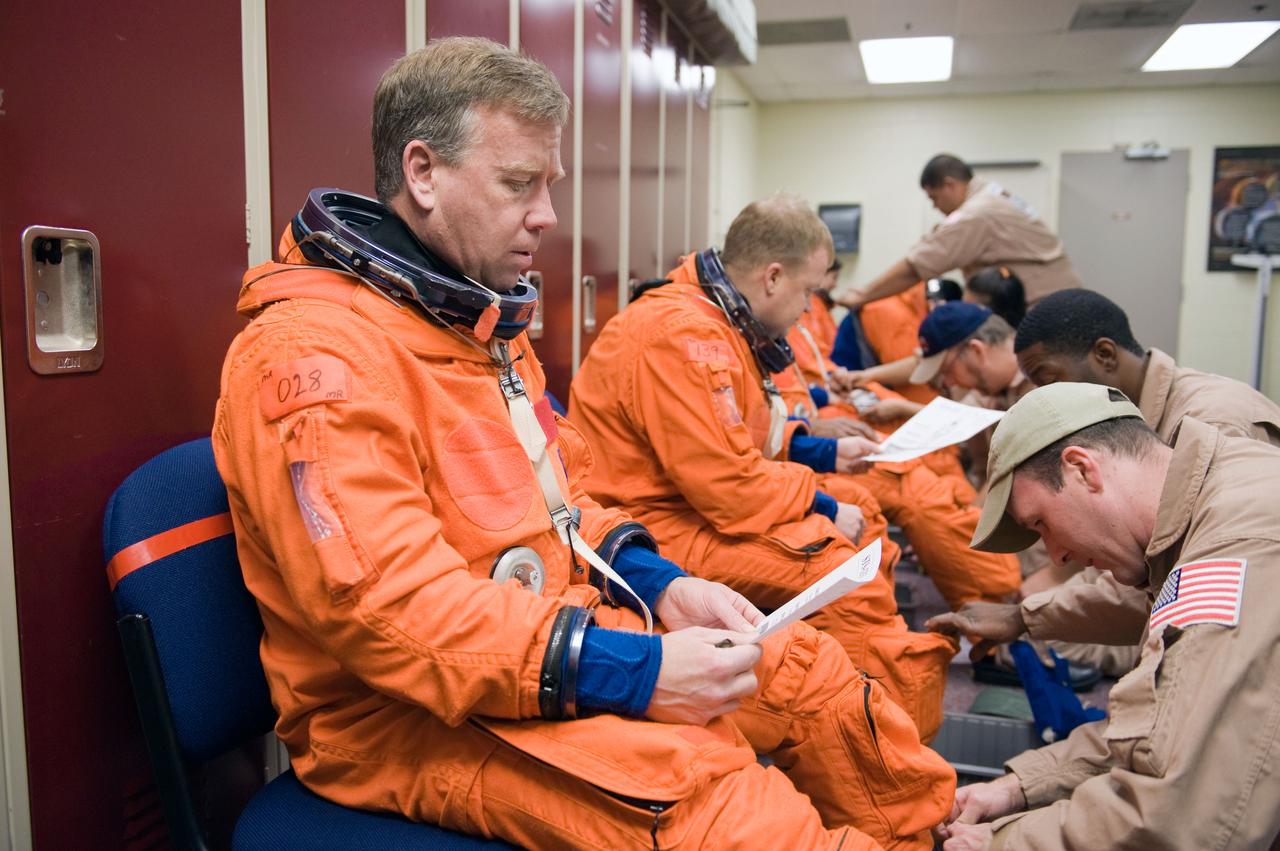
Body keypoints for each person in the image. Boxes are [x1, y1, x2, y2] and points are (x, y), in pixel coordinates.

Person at [211, 38, 955, 849]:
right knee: (721, 805)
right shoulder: (312, 356)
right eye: (519, 184)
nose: (548, 216)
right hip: (405, 712)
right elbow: (392, 616)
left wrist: (664, 587)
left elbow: (567, 508)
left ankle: (937, 833)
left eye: (549, 185)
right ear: (423, 173)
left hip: (539, 640)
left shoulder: (481, 328)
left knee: (812, 678)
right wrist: (639, 673)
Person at [569, 193, 961, 740]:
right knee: (843, 569)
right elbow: (730, 490)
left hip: (683, 508)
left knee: (860, 526)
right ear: (773, 278)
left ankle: (881, 727)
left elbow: (743, 437)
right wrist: (820, 500)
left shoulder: (717, 325)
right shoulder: (683, 336)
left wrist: (820, 464)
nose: (808, 311)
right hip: (646, 527)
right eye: (809, 292)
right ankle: (897, 742)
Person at [932, 381, 1280, 850]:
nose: (1055, 556)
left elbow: (1185, 820)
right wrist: (1019, 786)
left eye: (1041, 524)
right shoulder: (1218, 502)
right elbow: (1166, 727)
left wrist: (1003, 842)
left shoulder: (1238, 553)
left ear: (1081, 469)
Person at [931, 288, 1280, 677]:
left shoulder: (1214, 421)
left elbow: (1193, 609)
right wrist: (1024, 617)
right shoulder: (1133, 423)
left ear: (1105, 355)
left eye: (1050, 380)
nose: (1045, 397)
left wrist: (1033, 613)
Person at [838, 154, 1083, 311]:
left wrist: (861, 295)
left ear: (950, 185)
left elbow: (917, 265)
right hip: (1062, 301)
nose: (935, 206)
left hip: (1046, 309)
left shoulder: (977, 213)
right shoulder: (993, 194)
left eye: (934, 198)